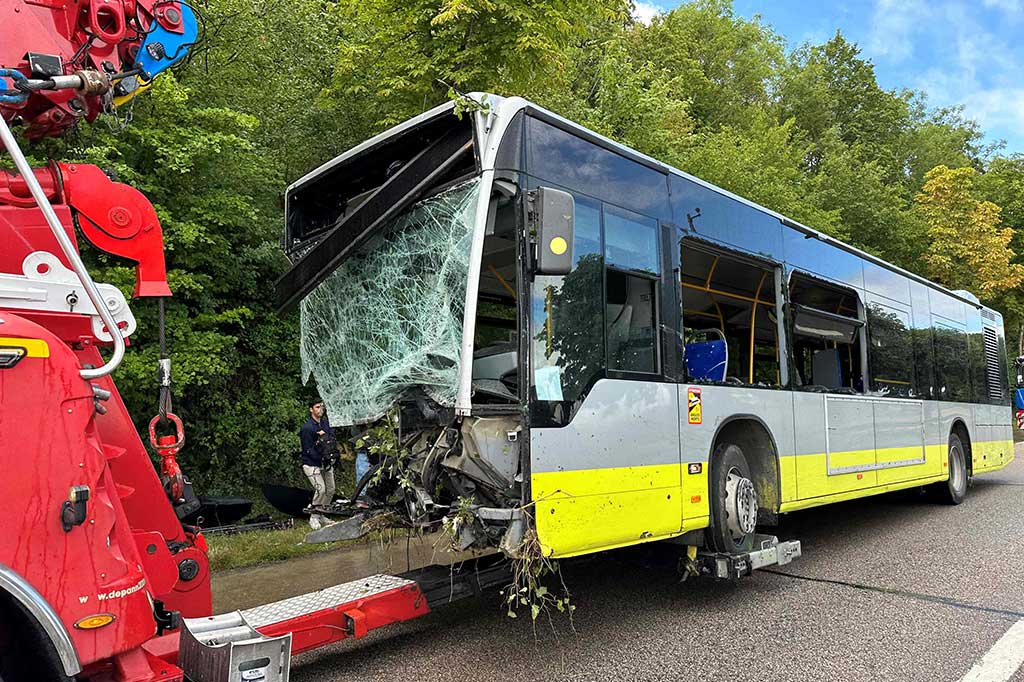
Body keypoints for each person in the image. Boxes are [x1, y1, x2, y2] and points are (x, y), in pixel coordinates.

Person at [299, 398, 336, 530]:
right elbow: (307, 449)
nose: (321, 409)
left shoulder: (326, 423)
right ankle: (313, 517)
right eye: (317, 407)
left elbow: (331, 440)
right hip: (311, 463)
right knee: (321, 489)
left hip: (326, 462)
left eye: (322, 407)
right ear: (311, 409)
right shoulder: (307, 428)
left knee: (331, 489)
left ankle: (322, 514)